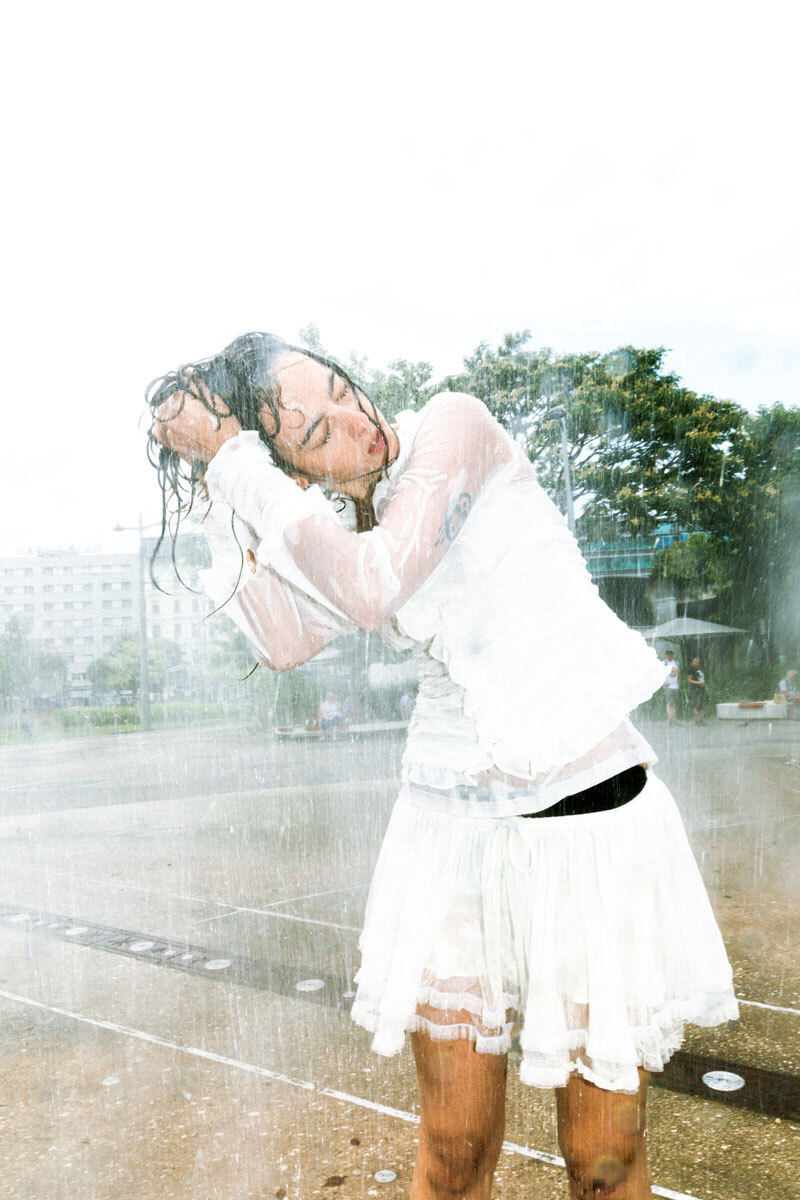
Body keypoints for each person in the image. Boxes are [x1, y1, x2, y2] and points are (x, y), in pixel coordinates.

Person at [149, 332, 737, 1200]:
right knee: (455, 1148)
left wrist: (239, 457)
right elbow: (283, 637)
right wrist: (216, 491)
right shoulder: (327, 521)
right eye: (316, 435)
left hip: (592, 825)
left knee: (602, 1159)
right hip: (448, 837)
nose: (357, 421)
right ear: (297, 476)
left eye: (343, 390)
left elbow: (373, 586)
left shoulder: (451, 430)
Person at [686, 657, 707, 725]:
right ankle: (697, 719)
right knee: (696, 704)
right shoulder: (691, 670)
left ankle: (700, 719)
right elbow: (689, 680)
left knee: (701, 704)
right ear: (692, 662)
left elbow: (702, 680)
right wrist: (698, 683)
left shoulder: (700, 670)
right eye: (695, 661)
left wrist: (706, 688)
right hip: (695, 689)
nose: (696, 662)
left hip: (702, 689)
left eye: (697, 661)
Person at [661, 649, 680, 721]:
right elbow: (660, 674)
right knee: (670, 702)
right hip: (667, 687)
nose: (670, 655)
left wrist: (678, 682)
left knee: (675, 703)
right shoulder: (664, 663)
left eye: (671, 654)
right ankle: (670, 718)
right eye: (668, 654)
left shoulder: (676, 663)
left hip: (675, 686)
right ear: (666, 655)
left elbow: (679, 673)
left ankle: (674, 718)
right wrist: (663, 683)